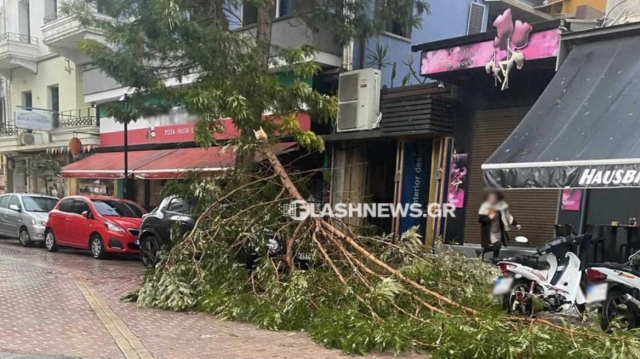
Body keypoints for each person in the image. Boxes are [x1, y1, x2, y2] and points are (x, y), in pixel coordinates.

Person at [476, 191, 521, 259]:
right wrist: (489, 218)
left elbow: (508, 216)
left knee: (498, 247)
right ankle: (482, 251)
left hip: (498, 230)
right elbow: (480, 220)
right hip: (490, 231)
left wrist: (516, 224)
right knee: (497, 245)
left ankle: (495, 260)